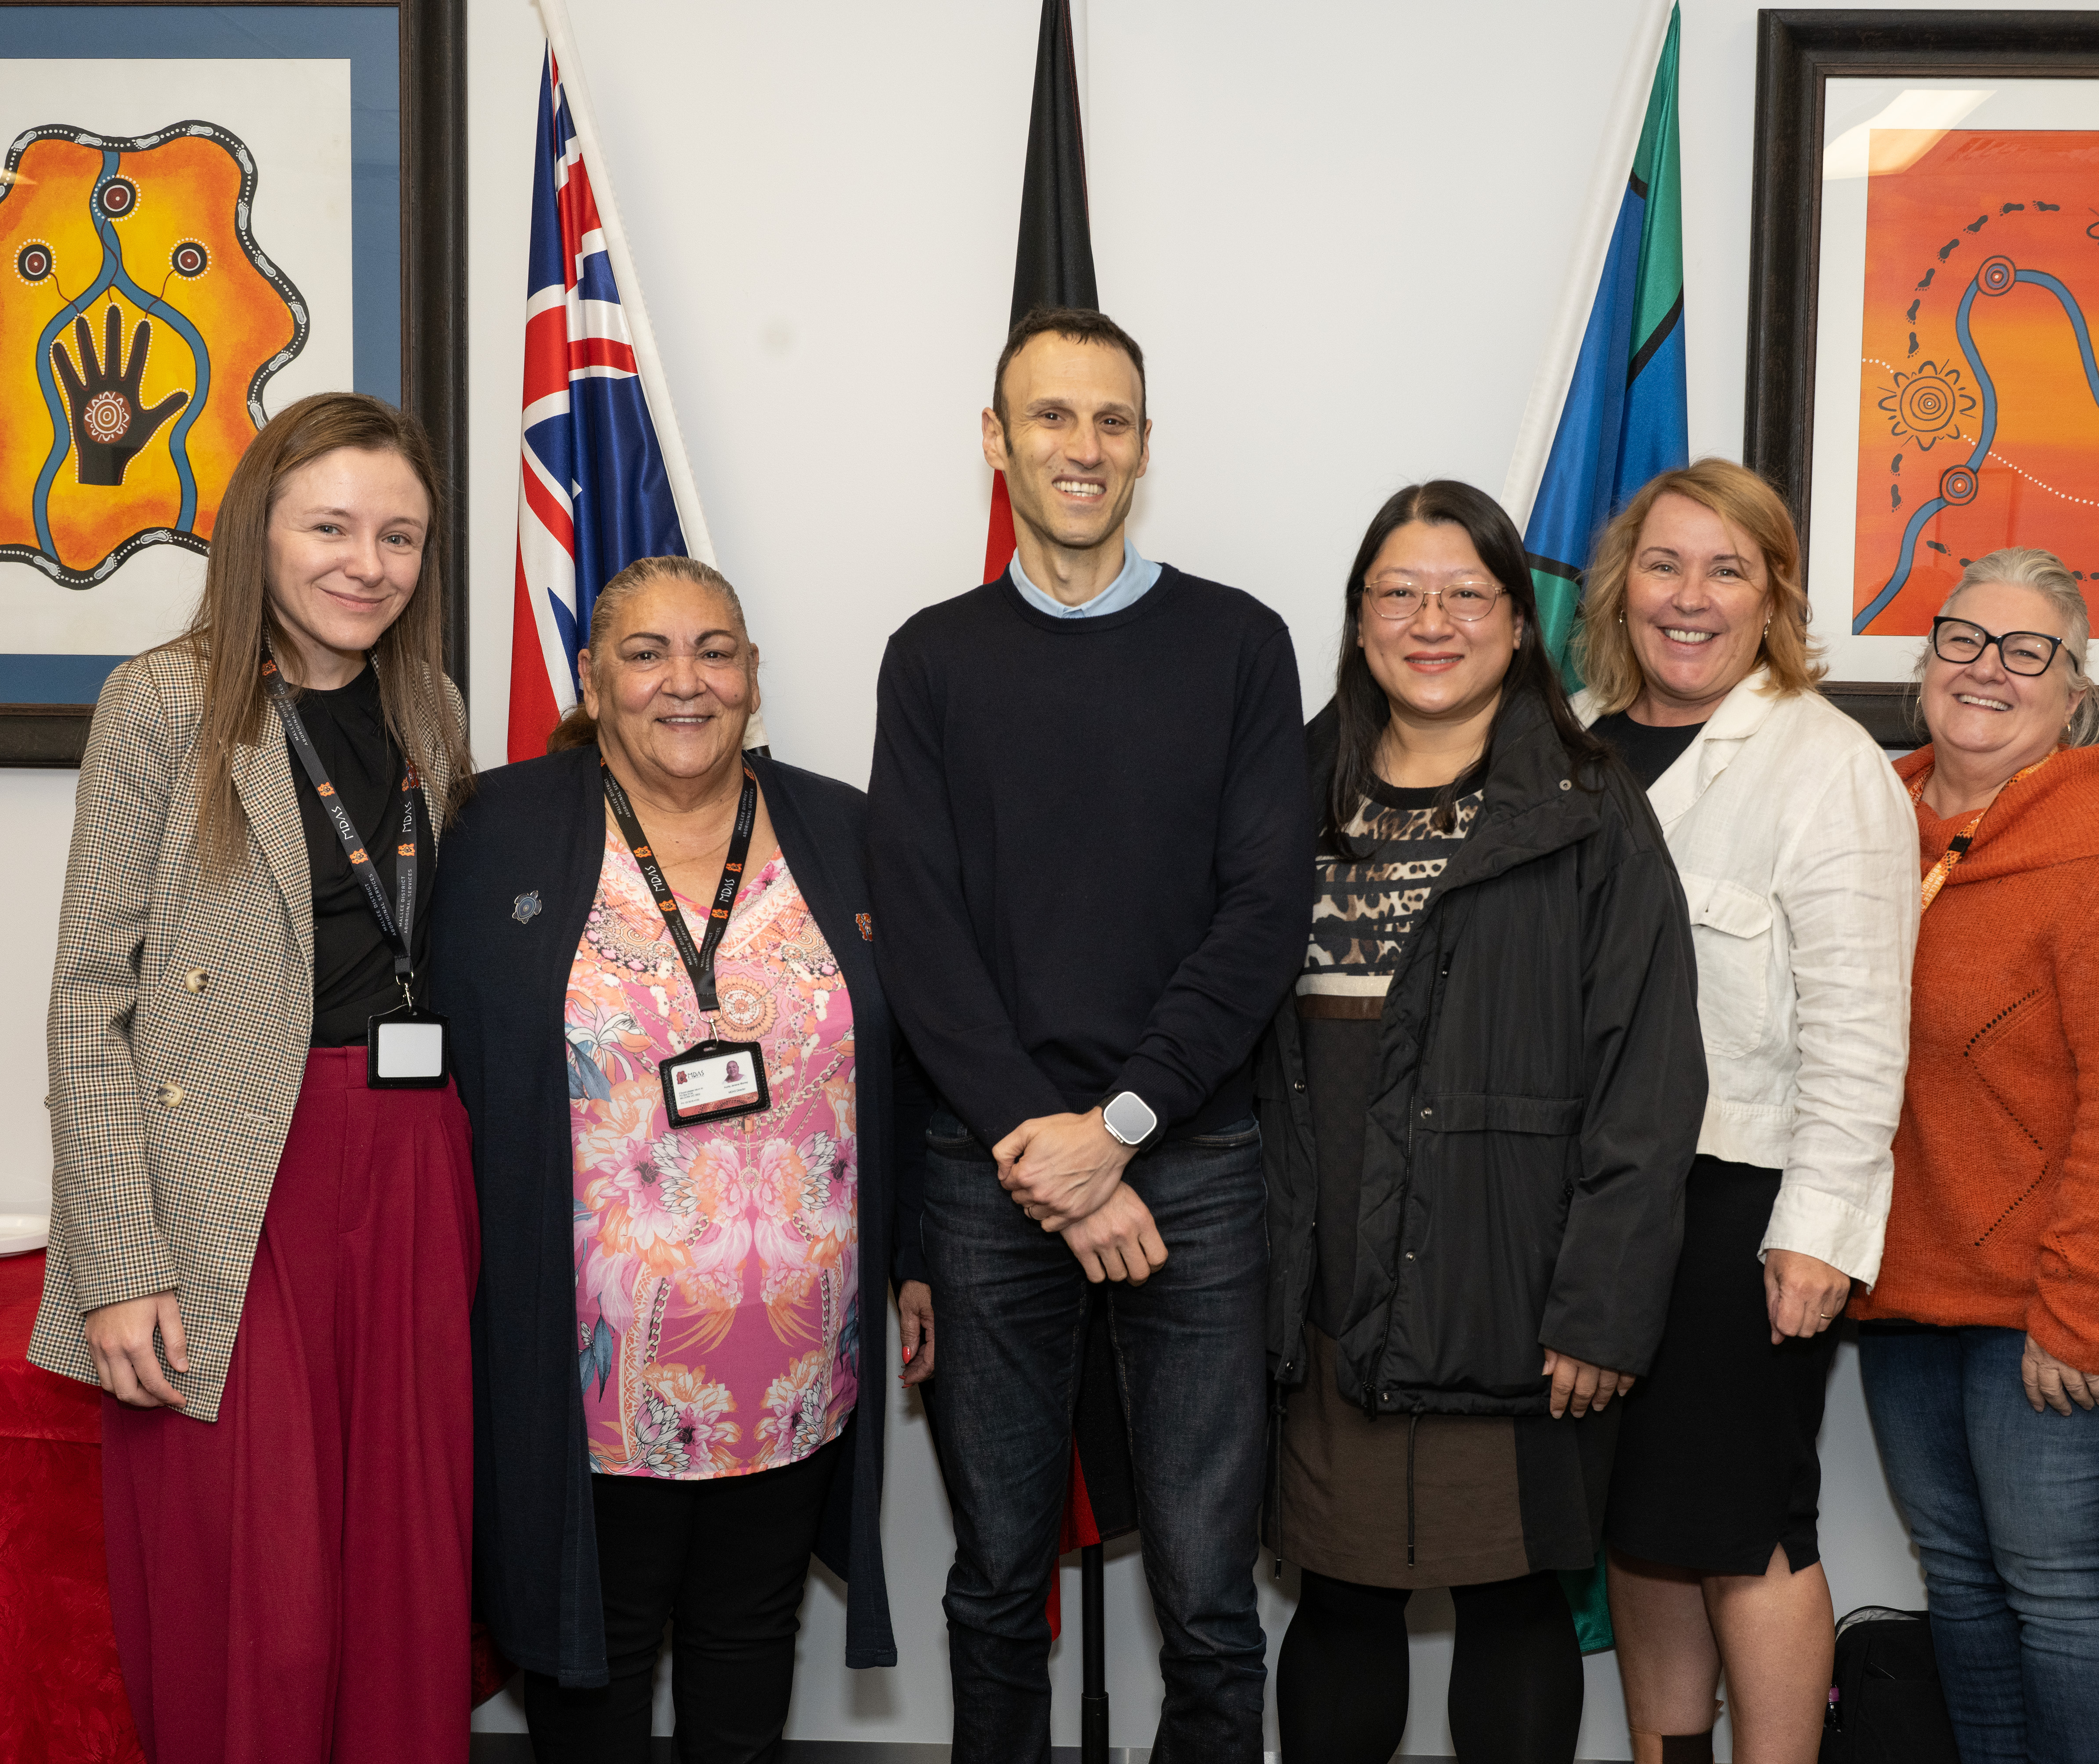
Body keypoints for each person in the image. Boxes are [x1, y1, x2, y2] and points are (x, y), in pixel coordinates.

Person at [865, 305, 1313, 1758]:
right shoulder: (931, 659)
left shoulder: (1241, 645)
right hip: (984, 1167)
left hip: (1190, 1160)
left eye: (1111, 421)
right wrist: (1036, 1145)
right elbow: (920, 938)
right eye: (1051, 418)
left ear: (1143, 448)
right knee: (998, 1575)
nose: (1083, 447)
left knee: (1206, 1589)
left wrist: (1115, 1134)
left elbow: (1259, 920)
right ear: (996, 443)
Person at [28, 391, 478, 1760]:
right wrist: (117, 1263)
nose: (367, 563)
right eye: (331, 526)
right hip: (236, 1177)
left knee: (406, 1571)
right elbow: (88, 997)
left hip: (414, 1164)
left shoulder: (433, 710)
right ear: (258, 534)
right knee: (258, 1590)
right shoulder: (165, 702)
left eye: (398, 536)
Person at [435, 557, 929, 1760]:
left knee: (746, 1653)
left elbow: (913, 1056)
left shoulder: (843, 827)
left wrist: (915, 1257)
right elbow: (446, 1069)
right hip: (587, 1363)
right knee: (586, 1669)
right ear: (594, 680)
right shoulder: (499, 831)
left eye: (715, 651)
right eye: (647, 654)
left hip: (794, 1351)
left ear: (753, 679)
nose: (684, 682)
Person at [1257, 481, 1706, 1764]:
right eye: (1397, 593)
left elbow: (1649, 1070)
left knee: (1514, 1606)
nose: (1431, 621)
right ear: (1355, 622)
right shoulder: (1279, 794)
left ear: (1519, 626)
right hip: (1326, 1290)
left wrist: (1602, 1304)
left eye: (1468, 595)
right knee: (1339, 1602)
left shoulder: (1587, 804)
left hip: (1512, 1293)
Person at [1853, 548, 2099, 1764]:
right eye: (1963, 640)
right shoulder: (1867, 827)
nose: (1987, 670)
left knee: (2067, 1592)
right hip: (1919, 1288)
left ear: (2071, 695)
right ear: (1922, 663)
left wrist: (2079, 1310)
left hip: (2077, 1292)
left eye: (2028, 653)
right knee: (1964, 1587)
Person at [1570, 460, 1918, 1764]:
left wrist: (1819, 1231)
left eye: (1728, 569)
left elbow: (1860, 1030)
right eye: (1664, 564)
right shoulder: (1578, 743)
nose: (1690, 597)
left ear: (1771, 594)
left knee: (1747, 1526)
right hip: (1601, 1202)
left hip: (1743, 1204)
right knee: (1641, 1521)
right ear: (1622, 584)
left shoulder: (1824, 768)